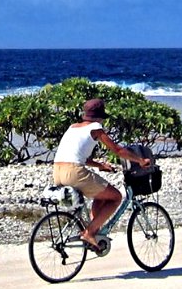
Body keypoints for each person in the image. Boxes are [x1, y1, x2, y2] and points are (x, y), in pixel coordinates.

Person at [52, 98, 150, 250]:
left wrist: (100, 165)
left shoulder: (73, 127)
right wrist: (140, 160)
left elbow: (80, 156)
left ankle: (94, 230)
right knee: (116, 197)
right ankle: (89, 233)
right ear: (99, 116)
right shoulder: (96, 127)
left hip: (57, 171)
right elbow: (117, 150)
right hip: (73, 172)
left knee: (102, 193)